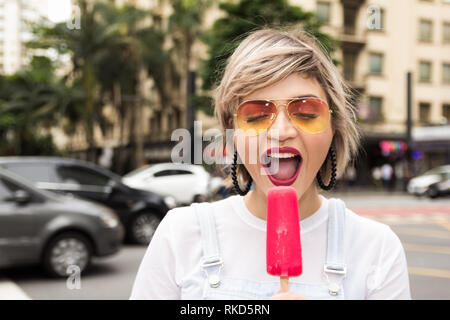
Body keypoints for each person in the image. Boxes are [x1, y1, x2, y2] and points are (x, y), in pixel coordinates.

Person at [130, 28, 410, 300]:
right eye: (256, 115)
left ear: (333, 129)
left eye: (305, 112)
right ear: (232, 133)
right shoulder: (180, 234)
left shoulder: (377, 249)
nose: (280, 131)